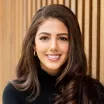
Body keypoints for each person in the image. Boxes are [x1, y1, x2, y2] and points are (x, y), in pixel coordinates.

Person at [2, 4, 104, 104]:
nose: (53, 47)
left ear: (73, 45)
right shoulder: (14, 93)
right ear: (34, 45)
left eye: (62, 38)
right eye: (44, 38)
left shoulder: (93, 91)